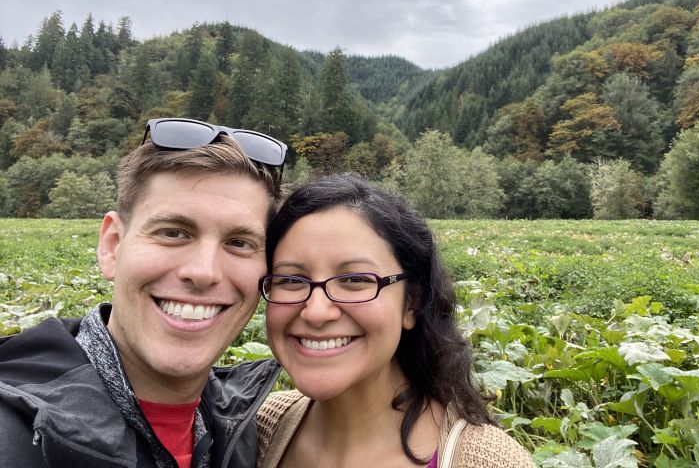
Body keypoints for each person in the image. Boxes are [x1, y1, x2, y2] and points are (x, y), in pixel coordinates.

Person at [0, 117, 288, 468]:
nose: (202, 272)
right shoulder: (14, 434)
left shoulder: (249, 433)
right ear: (112, 246)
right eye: (173, 232)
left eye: (239, 243)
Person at [255, 174, 535, 468]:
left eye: (354, 279)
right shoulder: (258, 430)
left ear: (411, 303)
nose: (315, 311)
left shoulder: (490, 461)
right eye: (290, 279)